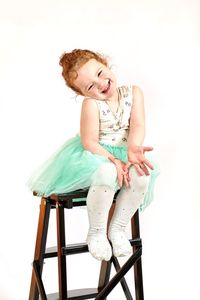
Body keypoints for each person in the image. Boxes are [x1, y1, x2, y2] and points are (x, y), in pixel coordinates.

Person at [27, 49, 159, 261]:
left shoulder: (134, 93)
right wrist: (113, 160)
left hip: (127, 154)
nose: (101, 84)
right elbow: (89, 142)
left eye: (100, 73)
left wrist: (134, 146)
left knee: (143, 174)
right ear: (83, 93)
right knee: (107, 172)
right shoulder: (91, 104)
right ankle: (96, 232)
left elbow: (138, 124)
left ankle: (117, 229)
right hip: (98, 155)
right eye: (90, 86)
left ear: (105, 64)